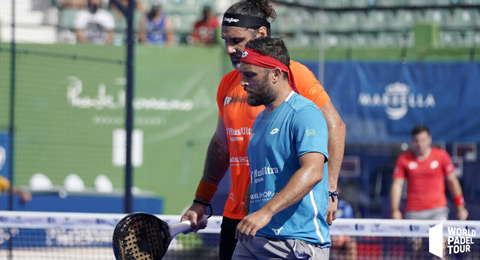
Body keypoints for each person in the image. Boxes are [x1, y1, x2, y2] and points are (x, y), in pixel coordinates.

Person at [181, 1, 346, 259]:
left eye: (237, 40)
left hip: (287, 226)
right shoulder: (228, 83)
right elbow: (221, 145)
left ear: (261, 34)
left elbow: (334, 124)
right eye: (225, 40)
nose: (229, 48)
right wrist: (202, 200)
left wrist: (331, 190)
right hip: (239, 217)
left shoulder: (292, 75)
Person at [232, 36, 330, 259]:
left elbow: (313, 171)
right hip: (253, 239)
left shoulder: (305, 113)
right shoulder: (260, 120)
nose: (243, 82)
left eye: (250, 75)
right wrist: (251, 215)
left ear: (275, 74)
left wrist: (265, 212)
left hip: (296, 242)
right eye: (242, 75)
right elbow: (257, 178)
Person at [390, 125, 468, 258]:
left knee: (438, 250)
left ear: (429, 139)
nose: (420, 144)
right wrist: (395, 210)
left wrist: (460, 207)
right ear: (412, 141)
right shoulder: (403, 160)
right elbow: (397, 185)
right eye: (416, 141)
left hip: (437, 211)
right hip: (413, 213)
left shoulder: (441, 156)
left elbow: (453, 181)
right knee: (415, 253)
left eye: (423, 140)